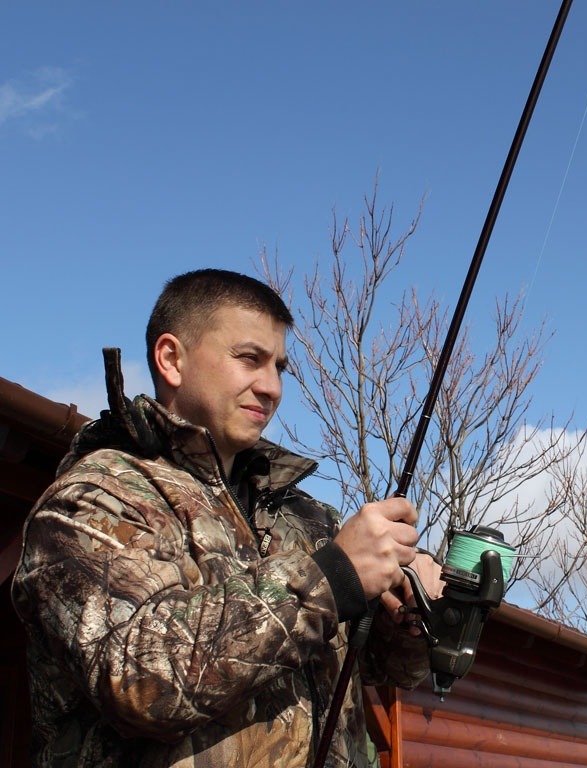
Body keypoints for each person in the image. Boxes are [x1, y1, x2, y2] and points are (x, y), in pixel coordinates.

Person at [12, 269, 441, 767]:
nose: (272, 386)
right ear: (171, 359)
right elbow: (136, 679)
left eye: (280, 366)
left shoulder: (308, 519)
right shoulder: (93, 499)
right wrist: (330, 578)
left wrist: (412, 619)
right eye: (249, 359)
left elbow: (384, 671)